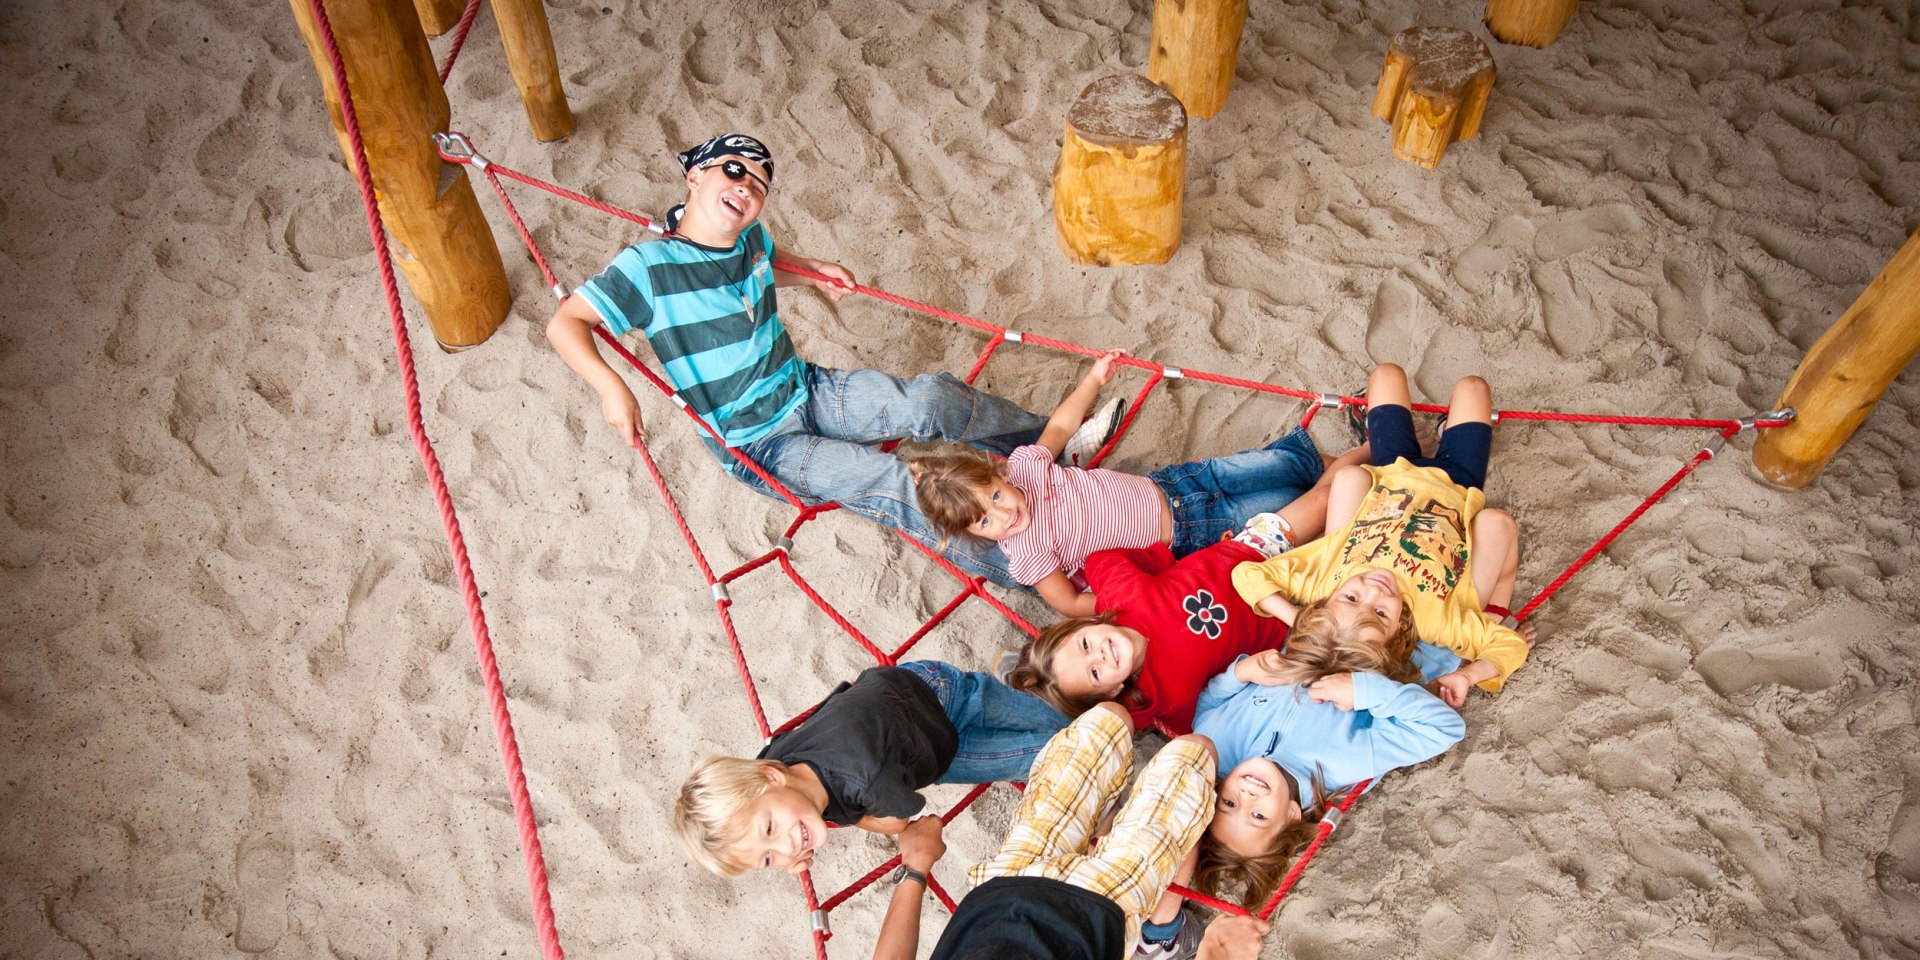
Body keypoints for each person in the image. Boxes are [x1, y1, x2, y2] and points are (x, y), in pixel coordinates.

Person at [547, 133, 1116, 587]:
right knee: (899, 483)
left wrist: (815, 272)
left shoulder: (750, 238)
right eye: (735, 171)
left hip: (806, 387)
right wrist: (609, 386)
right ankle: (1035, 566)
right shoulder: (647, 267)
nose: (747, 189)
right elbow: (565, 322)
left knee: (932, 399)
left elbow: (773, 262)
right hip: (760, 443)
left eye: (761, 186)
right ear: (695, 178)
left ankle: (1051, 444)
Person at [912, 349, 1366, 616]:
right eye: (986, 522)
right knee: (1291, 503)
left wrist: (1093, 379)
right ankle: (1373, 468)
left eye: (995, 495)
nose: (1004, 514)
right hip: (1191, 535)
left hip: (1181, 484)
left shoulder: (1026, 467)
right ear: (977, 534)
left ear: (999, 473)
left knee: (1285, 462)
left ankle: (1358, 461)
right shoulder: (1027, 553)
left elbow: (1060, 426)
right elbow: (1069, 603)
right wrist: (1129, 601)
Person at [867, 703, 1271, 960]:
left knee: (1107, 722)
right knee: (1194, 754)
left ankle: (1105, 825)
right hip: (1101, 909)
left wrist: (915, 869)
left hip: (1004, 884)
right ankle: (1157, 938)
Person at [1231, 363, 1532, 707]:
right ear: (1399, 635)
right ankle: (1449, 431)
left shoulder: (1322, 587)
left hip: (1391, 469)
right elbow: (1510, 646)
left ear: (1324, 606)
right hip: (1457, 483)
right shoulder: (1434, 622)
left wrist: (1298, 619)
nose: (1373, 591)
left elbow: (1247, 573)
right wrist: (1467, 675)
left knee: (1386, 375)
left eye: (1352, 600)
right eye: (1382, 615)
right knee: (1473, 386)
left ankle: (1405, 434)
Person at [674, 660, 1069, 876]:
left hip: (940, 724)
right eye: (767, 859)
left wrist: (860, 819)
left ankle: (1032, 687)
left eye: (770, 830)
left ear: (771, 779)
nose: (786, 848)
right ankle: (1017, 684)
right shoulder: (771, 762)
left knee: (1058, 745)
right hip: (908, 684)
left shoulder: (868, 780)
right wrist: (784, 839)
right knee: (1033, 723)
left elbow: (898, 823)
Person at [1187, 608, 1467, 912]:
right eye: (1258, 816)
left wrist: (1240, 674)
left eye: (1228, 804)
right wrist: (1363, 691)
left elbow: (1206, 705)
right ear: (1292, 815)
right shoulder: (1344, 762)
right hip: (1418, 634)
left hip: (1334, 613)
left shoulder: (1220, 747)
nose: (1246, 797)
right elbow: (1446, 728)